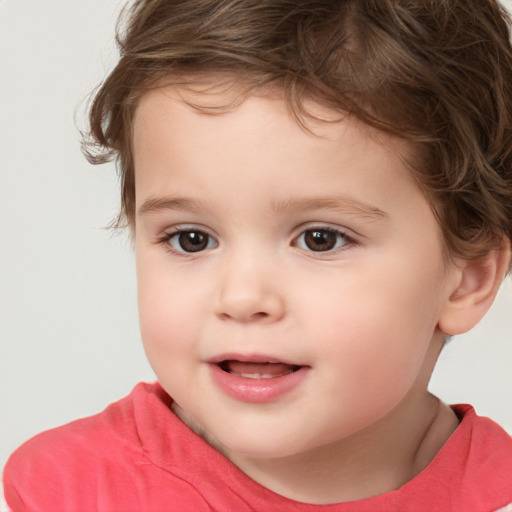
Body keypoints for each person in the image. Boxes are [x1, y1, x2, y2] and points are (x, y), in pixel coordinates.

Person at [3, 0, 512, 510]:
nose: (242, 297)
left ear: (468, 276)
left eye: (320, 239)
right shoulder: (70, 492)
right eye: (191, 238)